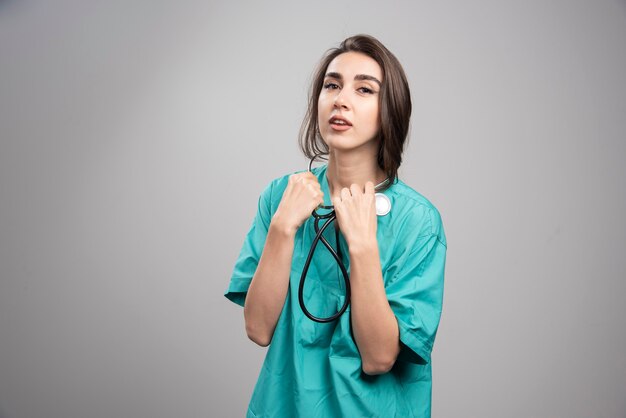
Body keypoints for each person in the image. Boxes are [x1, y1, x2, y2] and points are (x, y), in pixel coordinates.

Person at [224, 34, 447, 418]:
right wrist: (282, 229)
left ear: (390, 110)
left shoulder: (417, 221)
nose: (340, 99)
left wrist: (362, 246)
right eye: (332, 85)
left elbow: (378, 358)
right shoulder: (281, 196)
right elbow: (258, 329)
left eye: (364, 89)